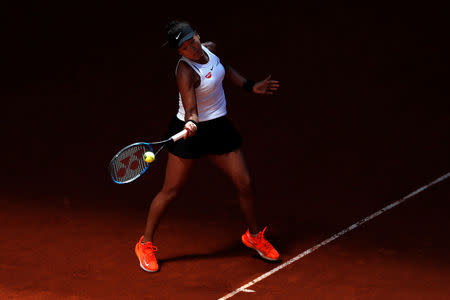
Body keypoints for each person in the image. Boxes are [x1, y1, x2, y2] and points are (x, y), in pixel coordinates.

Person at [135, 20, 280, 272]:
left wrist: (249, 85)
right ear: (179, 53)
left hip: (219, 128)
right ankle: (144, 243)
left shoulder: (211, 48)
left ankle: (253, 236)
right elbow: (191, 109)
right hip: (190, 131)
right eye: (185, 47)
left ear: (198, 35)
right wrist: (191, 123)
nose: (193, 48)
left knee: (244, 182)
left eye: (193, 40)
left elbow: (224, 69)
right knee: (171, 191)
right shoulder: (185, 71)